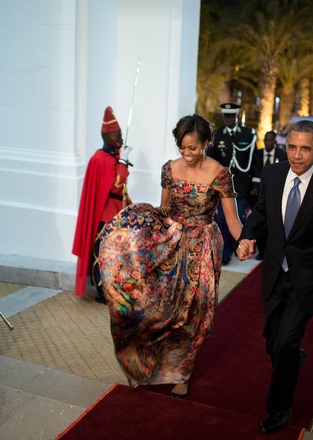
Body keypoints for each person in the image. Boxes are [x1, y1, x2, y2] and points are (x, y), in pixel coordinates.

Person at [98, 114, 245, 398]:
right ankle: (145, 365)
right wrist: (134, 231)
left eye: (193, 148)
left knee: (193, 313)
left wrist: (246, 241)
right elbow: (164, 209)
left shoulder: (220, 173)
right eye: (182, 147)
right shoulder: (169, 169)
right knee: (157, 306)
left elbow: (233, 220)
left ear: (206, 143)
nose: (187, 154)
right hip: (171, 242)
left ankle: (182, 373)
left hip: (202, 247)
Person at [237, 120, 313, 434]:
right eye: (292, 147)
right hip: (273, 274)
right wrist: (248, 237)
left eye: (305, 148)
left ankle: (279, 406)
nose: (297, 155)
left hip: (309, 281)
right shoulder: (273, 175)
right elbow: (260, 213)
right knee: (274, 343)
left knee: (285, 344)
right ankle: (291, 357)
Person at [72, 106, 133, 304]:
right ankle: (101, 290)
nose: (121, 138)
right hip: (105, 215)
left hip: (118, 212)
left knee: (117, 255)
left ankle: (116, 287)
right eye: (118, 134)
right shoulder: (100, 160)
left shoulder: (111, 157)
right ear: (107, 136)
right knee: (103, 254)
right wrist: (123, 162)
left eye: (121, 134)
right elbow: (116, 186)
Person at [207, 103, 259, 265]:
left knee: (239, 218)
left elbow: (255, 161)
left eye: (231, 116)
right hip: (222, 185)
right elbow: (211, 160)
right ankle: (226, 252)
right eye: (226, 116)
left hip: (241, 185)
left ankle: (236, 247)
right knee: (223, 220)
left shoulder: (248, 134)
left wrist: (255, 183)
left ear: (236, 117)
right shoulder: (217, 135)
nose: (228, 119)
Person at [253, 130, 288, 260]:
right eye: (266, 140)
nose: (267, 143)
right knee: (260, 225)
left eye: (270, 140)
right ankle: (261, 252)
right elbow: (254, 172)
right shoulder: (257, 154)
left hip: (276, 197)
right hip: (259, 197)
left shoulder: (282, 155)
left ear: (274, 142)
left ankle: (273, 252)